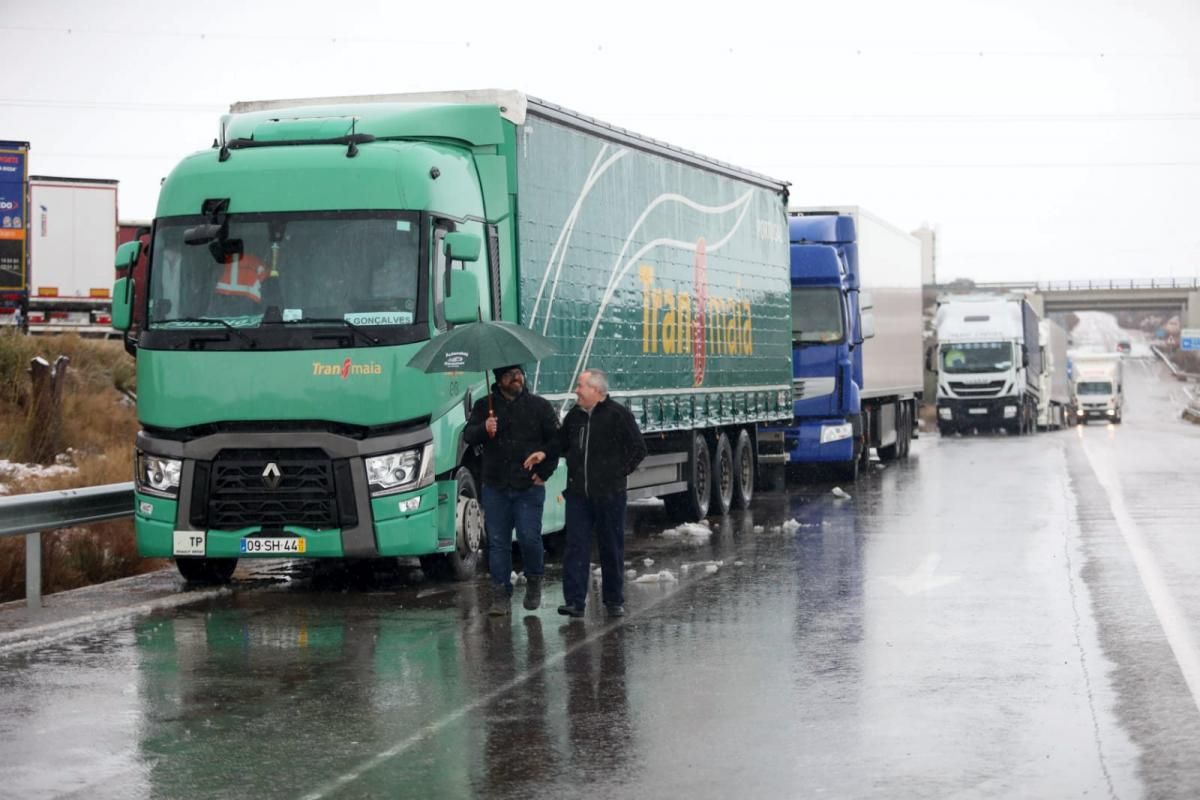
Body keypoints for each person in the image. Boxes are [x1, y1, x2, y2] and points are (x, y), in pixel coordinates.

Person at [463, 364, 560, 616]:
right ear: (498, 380)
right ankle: (500, 595)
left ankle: (535, 579)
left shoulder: (539, 406)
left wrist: (544, 471)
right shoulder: (486, 406)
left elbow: (556, 441)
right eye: (510, 375)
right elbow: (469, 435)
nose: (517, 378)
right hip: (495, 486)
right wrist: (484, 428)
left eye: (519, 373)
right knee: (498, 543)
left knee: (529, 537)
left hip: (528, 485)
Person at [556, 368, 647, 619]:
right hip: (578, 494)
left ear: (596, 390)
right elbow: (560, 444)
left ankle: (614, 600)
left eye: (581, 386)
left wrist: (619, 473)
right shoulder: (574, 416)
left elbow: (638, 448)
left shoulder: (617, 415)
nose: (576, 391)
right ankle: (574, 601)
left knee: (611, 547)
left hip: (610, 494)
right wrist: (545, 454)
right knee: (576, 546)